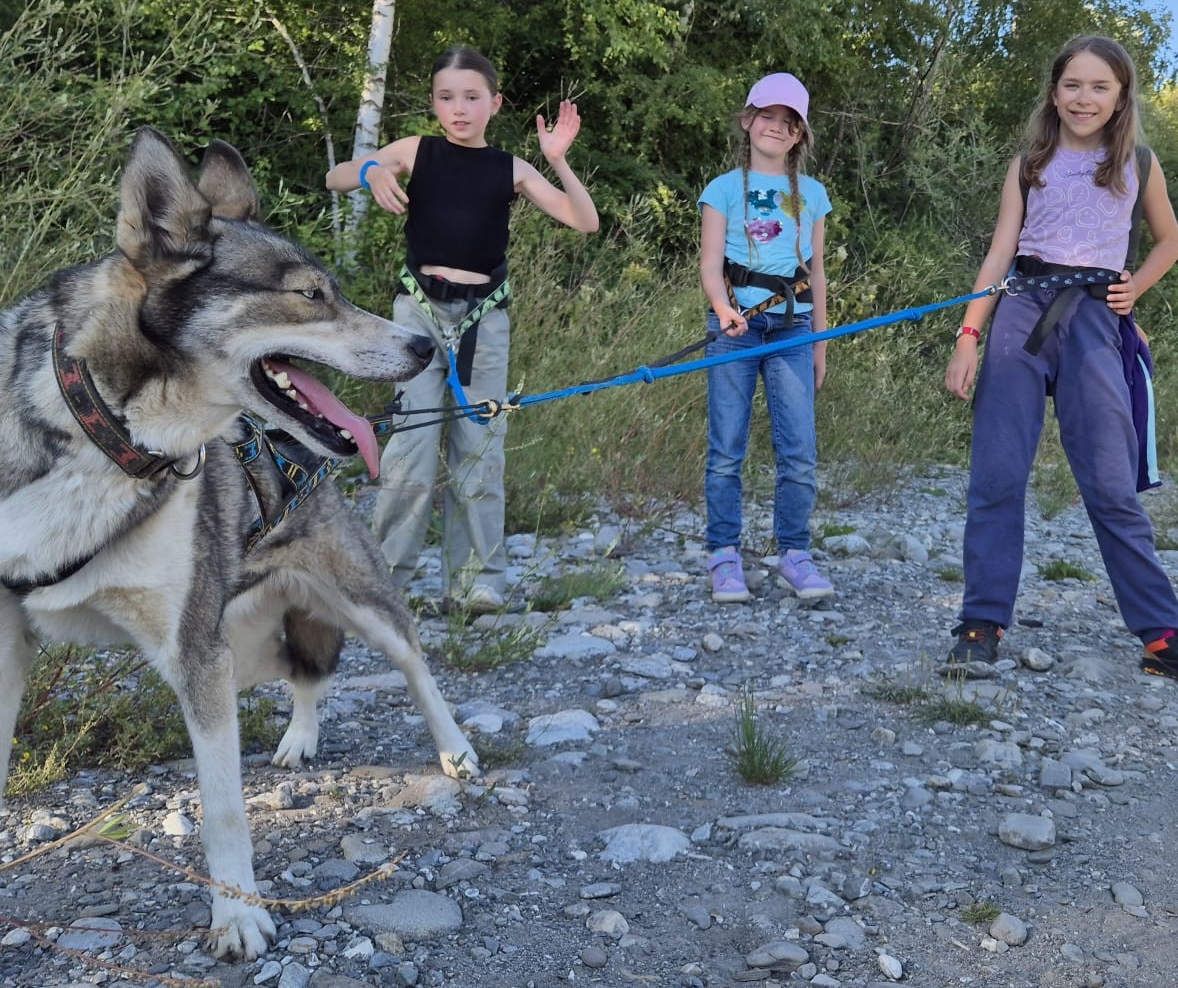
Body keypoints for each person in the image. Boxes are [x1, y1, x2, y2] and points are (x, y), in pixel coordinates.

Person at [326, 47, 598, 613]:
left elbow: (584, 221)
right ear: (434, 102)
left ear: (494, 104)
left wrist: (558, 161)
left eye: (472, 98)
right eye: (447, 97)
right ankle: (385, 583)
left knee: (479, 448)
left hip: (482, 320)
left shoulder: (511, 168)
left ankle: (477, 581)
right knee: (412, 446)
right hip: (417, 316)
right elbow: (336, 177)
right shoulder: (415, 151)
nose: (459, 109)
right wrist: (374, 168)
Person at [944, 35, 1178, 674]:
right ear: (1054, 92)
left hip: (1097, 320)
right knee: (997, 473)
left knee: (1109, 481)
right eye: (1073, 84)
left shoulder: (1140, 163)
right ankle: (981, 621)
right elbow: (998, 255)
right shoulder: (1029, 163)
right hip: (1021, 313)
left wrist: (1137, 287)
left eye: (1100, 87)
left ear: (1121, 96)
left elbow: (1168, 240)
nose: (1085, 98)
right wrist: (969, 338)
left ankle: (1161, 632)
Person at [697, 72, 833, 604]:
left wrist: (820, 345)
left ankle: (794, 552)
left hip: (794, 330)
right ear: (748, 119)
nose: (775, 127)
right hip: (734, 332)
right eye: (767, 116)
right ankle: (723, 554)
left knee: (798, 450)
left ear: (798, 134)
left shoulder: (814, 196)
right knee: (726, 449)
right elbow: (710, 265)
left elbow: (817, 275)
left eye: (788, 121)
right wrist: (723, 308)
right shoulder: (724, 188)